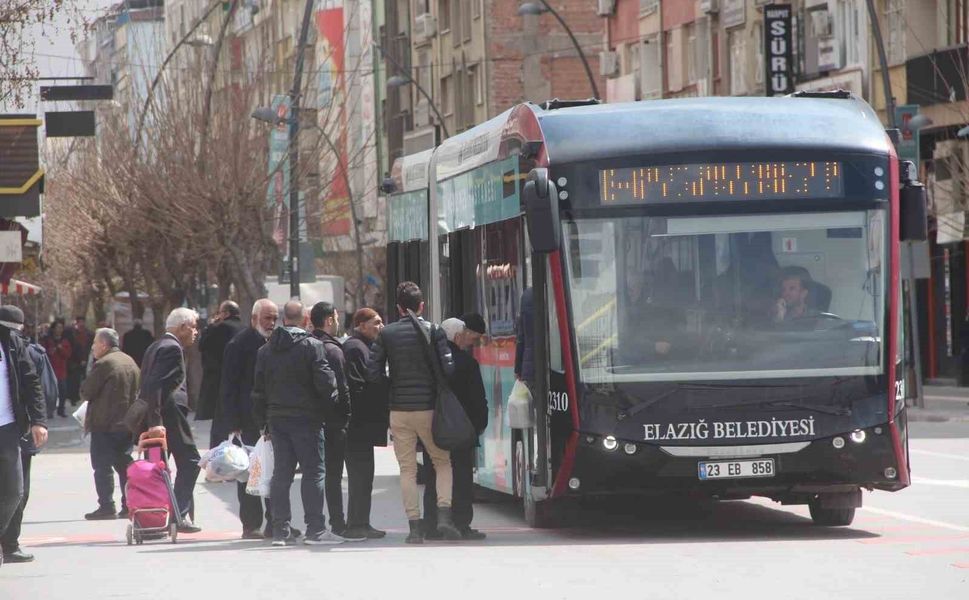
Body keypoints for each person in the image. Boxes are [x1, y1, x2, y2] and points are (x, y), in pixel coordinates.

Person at [366, 281, 459, 544]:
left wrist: (393, 388)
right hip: (429, 408)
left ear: (398, 308)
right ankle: (443, 516)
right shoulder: (434, 331)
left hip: (399, 411)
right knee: (441, 462)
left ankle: (415, 528)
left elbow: (373, 373)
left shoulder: (387, 334)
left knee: (407, 469)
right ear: (422, 306)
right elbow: (449, 369)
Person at [252, 300, 341, 546]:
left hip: (277, 420)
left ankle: (280, 530)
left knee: (282, 474)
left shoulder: (265, 350)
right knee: (314, 473)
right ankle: (315, 529)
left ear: (283, 320)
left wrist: (263, 422)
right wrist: (330, 403)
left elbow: (258, 391)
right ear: (305, 320)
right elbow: (326, 383)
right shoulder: (313, 346)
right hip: (307, 419)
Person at [422, 316, 488, 540]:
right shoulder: (467, 363)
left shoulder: (429, 362)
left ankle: (430, 525)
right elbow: (477, 399)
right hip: (462, 428)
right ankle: (461, 523)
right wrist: (479, 425)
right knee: (461, 476)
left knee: (434, 474)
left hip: (433, 425)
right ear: (458, 336)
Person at [139, 307, 202, 533]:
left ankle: (156, 520)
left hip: (160, 416)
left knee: (157, 468)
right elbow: (155, 384)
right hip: (169, 416)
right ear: (183, 327)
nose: (196, 332)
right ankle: (178, 515)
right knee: (191, 461)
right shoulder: (171, 348)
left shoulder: (156, 345)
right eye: (193, 327)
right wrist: (155, 421)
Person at [0, 306, 54, 564]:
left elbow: (31, 381)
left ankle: (7, 541)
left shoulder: (12, 344)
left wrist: (39, 421)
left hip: (9, 427)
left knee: (14, 491)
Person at [221, 299, 278, 539]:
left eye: (275, 318)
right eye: (267, 318)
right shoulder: (239, 344)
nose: (272, 323)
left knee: (274, 471)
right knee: (250, 473)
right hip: (247, 421)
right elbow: (229, 386)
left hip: (272, 418)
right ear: (254, 319)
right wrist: (233, 423)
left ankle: (275, 522)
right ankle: (251, 524)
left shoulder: (276, 341)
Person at [309, 301, 364, 540]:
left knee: (313, 474)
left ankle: (311, 524)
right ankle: (338, 523)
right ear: (329, 320)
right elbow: (343, 389)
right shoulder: (333, 350)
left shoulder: (305, 346)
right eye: (336, 317)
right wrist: (347, 418)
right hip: (333, 423)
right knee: (333, 475)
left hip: (309, 421)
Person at [80, 328, 139, 521]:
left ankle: (106, 506)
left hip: (104, 423)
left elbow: (86, 391)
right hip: (126, 423)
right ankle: (128, 504)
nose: (92, 347)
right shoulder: (130, 361)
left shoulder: (104, 363)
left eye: (95, 343)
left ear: (104, 345)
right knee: (123, 464)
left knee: (102, 466)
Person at [341, 308, 388, 540]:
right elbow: (357, 387)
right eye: (376, 322)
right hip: (357, 426)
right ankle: (356, 524)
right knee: (360, 476)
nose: (381, 327)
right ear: (361, 325)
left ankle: (361, 522)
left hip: (363, 426)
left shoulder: (365, 347)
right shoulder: (355, 348)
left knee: (365, 476)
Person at [198, 301, 245, 449]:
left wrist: (211, 325)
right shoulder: (245, 328)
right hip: (241, 384)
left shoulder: (220, 328)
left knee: (220, 427)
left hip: (220, 382)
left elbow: (203, 344)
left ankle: (216, 457)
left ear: (225, 313)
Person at [43, 320, 72, 417]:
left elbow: (68, 354)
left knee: (62, 391)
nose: (59, 330)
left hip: (61, 370)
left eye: (61, 328)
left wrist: (60, 348)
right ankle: (50, 410)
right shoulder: (48, 340)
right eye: (58, 327)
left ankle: (61, 409)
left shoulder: (65, 341)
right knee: (50, 392)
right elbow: (44, 352)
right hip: (50, 369)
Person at [66, 317, 92, 408]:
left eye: (83, 322)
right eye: (80, 322)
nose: (82, 324)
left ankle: (82, 396)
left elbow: (89, 347)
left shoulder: (89, 334)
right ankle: (73, 397)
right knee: (74, 380)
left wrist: (85, 359)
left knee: (84, 379)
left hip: (86, 359)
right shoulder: (72, 333)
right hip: (74, 361)